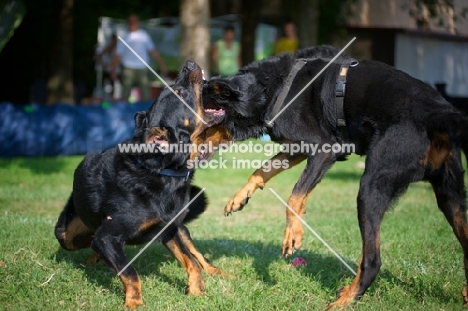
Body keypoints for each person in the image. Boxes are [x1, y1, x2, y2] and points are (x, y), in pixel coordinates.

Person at [111, 14, 167, 101]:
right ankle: (123, 113)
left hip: (142, 67)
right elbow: (118, 55)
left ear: (138, 23)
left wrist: (162, 65)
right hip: (128, 68)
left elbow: (153, 51)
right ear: (128, 23)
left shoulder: (144, 36)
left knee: (146, 94)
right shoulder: (124, 37)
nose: (133, 23)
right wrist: (114, 70)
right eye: (130, 21)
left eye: (134, 21)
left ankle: (147, 113)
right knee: (125, 93)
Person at [96, 33, 121, 101]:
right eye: (113, 40)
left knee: (117, 89)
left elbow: (119, 60)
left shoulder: (119, 50)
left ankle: (115, 105)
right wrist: (104, 64)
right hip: (109, 71)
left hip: (117, 72)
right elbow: (98, 56)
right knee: (108, 89)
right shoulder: (109, 48)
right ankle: (107, 104)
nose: (114, 41)